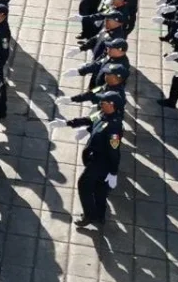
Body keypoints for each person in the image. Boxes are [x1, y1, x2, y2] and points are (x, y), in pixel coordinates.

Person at [49, 90, 123, 229]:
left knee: (84, 184)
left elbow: (114, 152)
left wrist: (113, 172)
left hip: (101, 162)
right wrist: (67, 123)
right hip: (94, 158)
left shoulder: (114, 127)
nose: (101, 103)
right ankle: (100, 217)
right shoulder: (102, 113)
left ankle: (90, 215)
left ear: (112, 105)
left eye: (104, 102)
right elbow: (88, 120)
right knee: (99, 189)